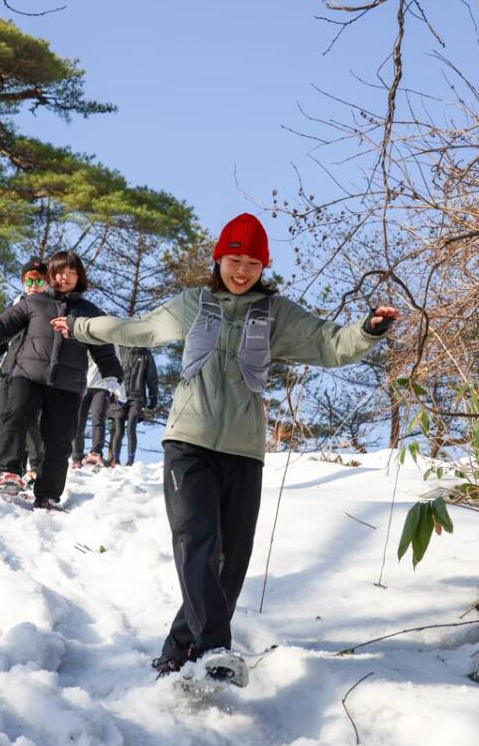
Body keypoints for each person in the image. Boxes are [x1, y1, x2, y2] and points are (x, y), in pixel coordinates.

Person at [51, 213, 398, 681]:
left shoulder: (276, 314)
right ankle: (215, 645)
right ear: (219, 259)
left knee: (231, 561)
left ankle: (178, 654)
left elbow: (329, 344)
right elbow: (137, 330)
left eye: (253, 264)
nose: (242, 271)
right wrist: (81, 328)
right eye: (235, 261)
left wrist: (369, 329)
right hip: (188, 442)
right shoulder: (193, 304)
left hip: (243, 449)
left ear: (263, 267)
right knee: (196, 540)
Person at [0, 249, 123, 510]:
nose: (64, 277)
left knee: (59, 440)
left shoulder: (91, 313)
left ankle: (48, 494)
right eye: (59, 272)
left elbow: (104, 350)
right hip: (28, 375)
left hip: (68, 384)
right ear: (50, 275)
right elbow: (1, 326)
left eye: (71, 272)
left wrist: (112, 375)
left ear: (79, 276)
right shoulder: (35, 302)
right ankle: (8, 472)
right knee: (15, 416)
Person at [0, 257, 47, 482]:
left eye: (39, 281)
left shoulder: (49, 307)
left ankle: (35, 467)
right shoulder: (17, 304)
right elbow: (3, 338)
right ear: (22, 282)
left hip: (32, 372)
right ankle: (8, 471)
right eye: (29, 281)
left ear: (47, 283)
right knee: (4, 420)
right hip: (8, 368)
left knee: (28, 420)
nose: (34, 286)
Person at [108, 345, 159, 466]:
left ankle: (130, 461)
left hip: (137, 398)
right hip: (119, 396)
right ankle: (115, 460)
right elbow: (109, 372)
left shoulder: (146, 355)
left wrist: (153, 397)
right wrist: (108, 393)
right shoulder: (119, 350)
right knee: (119, 430)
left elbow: (152, 378)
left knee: (131, 428)